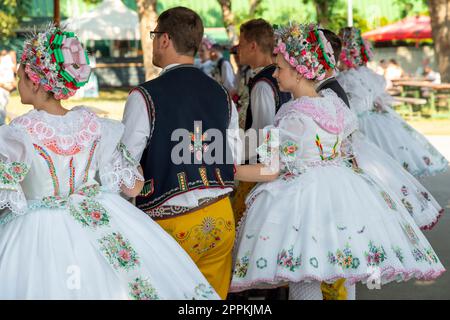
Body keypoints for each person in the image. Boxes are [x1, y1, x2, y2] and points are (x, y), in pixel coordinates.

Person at [0, 24, 220, 300]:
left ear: (34, 81)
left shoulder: (19, 132)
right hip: (97, 216)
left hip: (38, 234)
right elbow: (134, 187)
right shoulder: (94, 125)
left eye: (20, 76)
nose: (18, 82)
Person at [229, 22, 445, 300]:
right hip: (342, 196)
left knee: (305, 275)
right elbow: (347, 152)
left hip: (302, 204)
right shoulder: (335, 106)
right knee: (344, 269)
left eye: (280, 67)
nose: (276, 72)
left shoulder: (289, 116)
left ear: (298, 72)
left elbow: (270, 170)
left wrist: (229, 170)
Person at [121, 7, 240, 299]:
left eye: (153, 35)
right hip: (221, 215)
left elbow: (124, 166)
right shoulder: (222, 93)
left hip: (170, 223)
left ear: (164, 39)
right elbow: (232, 157)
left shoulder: (145, 95)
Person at [337, 27, 448, 178]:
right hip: (371, 118)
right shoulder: (361, 75)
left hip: (362, 121)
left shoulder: (348, 78)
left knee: (376, 164)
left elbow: (357, 101)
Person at [0, 49, 16, 125]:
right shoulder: (4, 61)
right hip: (3, 87)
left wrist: (13, 83)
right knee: (2, 106)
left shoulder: (7, 61)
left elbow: (12, 72)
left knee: (4, 105)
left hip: (6, 87)